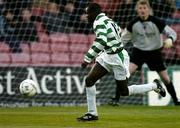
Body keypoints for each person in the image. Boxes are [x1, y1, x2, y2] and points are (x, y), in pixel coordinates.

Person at [77, 3, 166, 121]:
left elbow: (101, 40)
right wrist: (104, 50)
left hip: (117, 57)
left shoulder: (98, 22)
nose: (86, 16)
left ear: (94, 13)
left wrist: (87, 59)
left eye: (87, 13)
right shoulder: (108, 20)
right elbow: (117, 31)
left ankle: (155, 86)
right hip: (108, 55)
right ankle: (92, 113)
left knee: (124, 91)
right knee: (89, 80)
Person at [110, 0, 180, 106]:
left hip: (155, 53)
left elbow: (172, 33)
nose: (142, 10)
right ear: (137, 10)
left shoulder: (157, 21)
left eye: (144, 8)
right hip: (139, 52)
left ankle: (176, 100)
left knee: (165, 78)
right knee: (125, 74)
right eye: (140, 8)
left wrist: (170, 39)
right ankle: (116, 99)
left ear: (148, 9)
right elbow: (123, 40)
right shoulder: (132, 24)